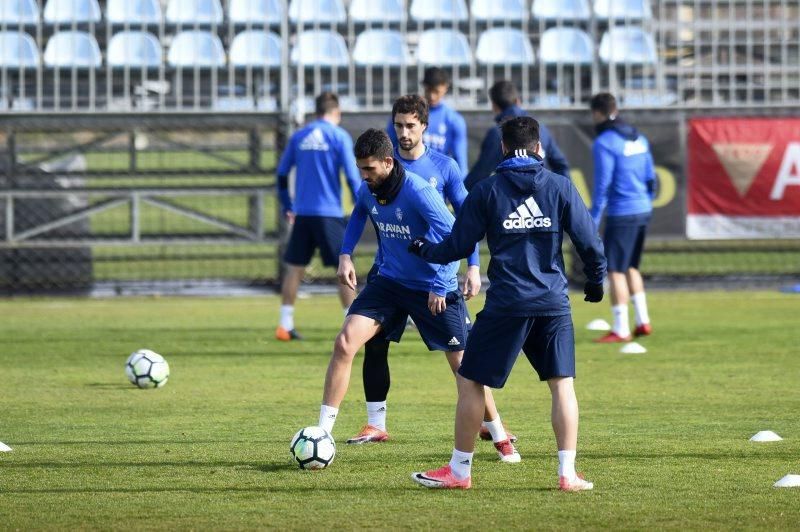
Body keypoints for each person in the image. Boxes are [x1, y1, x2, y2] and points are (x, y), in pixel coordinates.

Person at [407, 116, 606, 490]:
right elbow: (590, 242)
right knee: (562, 385)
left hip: (507, 303)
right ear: (538, 148)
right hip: (552, 302)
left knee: (470, 381)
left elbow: (457, 246)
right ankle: (567, 474)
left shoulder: (487, 190)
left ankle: (460, 471)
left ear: (502, 148)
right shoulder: (560, 186)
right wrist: (595, 281)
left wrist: (423, 249)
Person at [317, 128, 520, 463]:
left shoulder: (418, 191)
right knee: (345, 342)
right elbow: (358, 212)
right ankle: (323, 434)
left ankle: (498, 434)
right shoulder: (370, 187)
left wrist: (441, 283)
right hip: (389, 283)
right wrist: (345, 253)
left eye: (369, 169)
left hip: (431, 286)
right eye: (360, 169)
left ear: (387, 162)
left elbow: (459, 238)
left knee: (464, 368)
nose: (363, 176)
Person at [275, 92, 361, 341]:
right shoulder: (339, 136)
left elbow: (281, 175)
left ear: (316, 111)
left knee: (294, 269)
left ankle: (284, 324)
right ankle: (351, 324)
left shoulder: (299, 136)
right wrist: (362, 206)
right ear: (336, 112)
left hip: (303, 212)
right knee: (344, 268)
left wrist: (286, 204)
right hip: (330, 213)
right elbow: (352, 176)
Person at [589, 93, 656, 343]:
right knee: (631, 266)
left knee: (615, 269)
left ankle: (621, 328)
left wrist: (593, 221)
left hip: (622, 211)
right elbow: (651, 176)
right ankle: (643, 320)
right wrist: (647, 201)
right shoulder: (639, 138)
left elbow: (603, 185)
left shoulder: (605, 142)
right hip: (643, 209)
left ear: (597, 113)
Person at [464, 80, 570, 191]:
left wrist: (457, 193)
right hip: (544, 198)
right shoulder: (540, 128)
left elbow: (480, 173)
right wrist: (562, 195)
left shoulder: (497, 134)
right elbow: (560, 164)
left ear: (494, 106)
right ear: (518, 101)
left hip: (513, 201)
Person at [386, 67, 468, 175]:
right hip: (405, 178)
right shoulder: (405, 116)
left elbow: (461, 163)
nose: (432, 96)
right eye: (429, 90)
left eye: (436, 91)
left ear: (445, 88)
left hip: (437, 181)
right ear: (424, 87)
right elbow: (388, 151)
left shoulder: (454, 120)